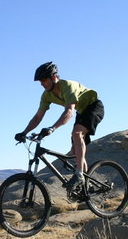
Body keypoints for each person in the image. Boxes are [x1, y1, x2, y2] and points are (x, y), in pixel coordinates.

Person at [15, 61, 105, 192]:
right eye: (40, 81)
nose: (42, 84)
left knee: (76, 134)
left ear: (53, 77)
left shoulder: (68, 86)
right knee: (75, 152)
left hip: (93, 107)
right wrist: (24, 132)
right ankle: (87, 187)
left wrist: (52, 128)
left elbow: (69, 111)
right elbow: (38, 117)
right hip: (81, 112)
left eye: (44, 80)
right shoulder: (46, 95)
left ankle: (79, 174)